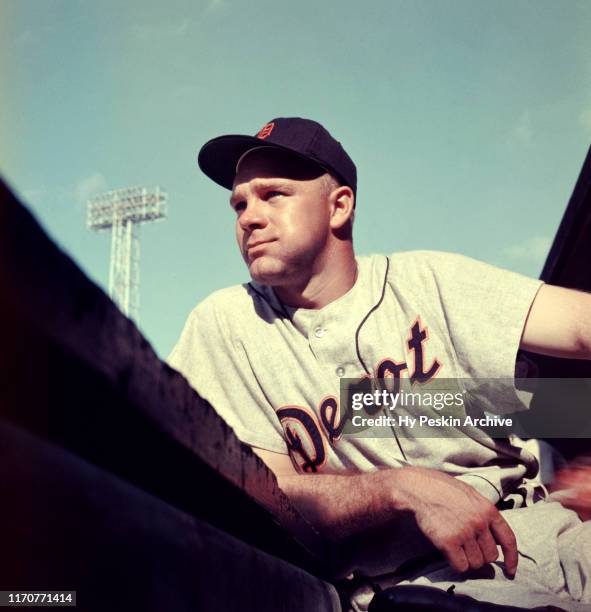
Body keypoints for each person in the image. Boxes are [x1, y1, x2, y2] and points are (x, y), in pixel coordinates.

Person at [168, 117, 591, 611]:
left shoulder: (426, 280)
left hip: (541, 533)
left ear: (339, 206)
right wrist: (400, 488)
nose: (248, 217)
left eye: (273, 195)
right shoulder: (227, 324)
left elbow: (579, 328)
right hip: (409, 588)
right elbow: (266, 492)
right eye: (239, 203)